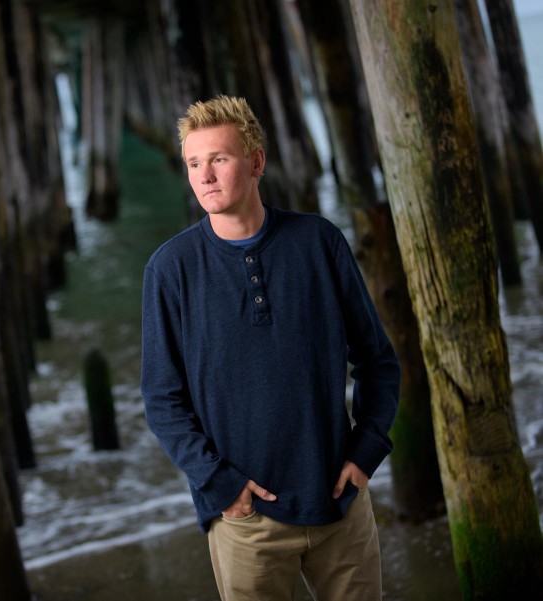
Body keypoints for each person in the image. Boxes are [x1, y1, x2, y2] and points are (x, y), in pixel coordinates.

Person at [140, 95, 400, 600]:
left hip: (340, 504)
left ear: (256, 162)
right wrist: (220, 485)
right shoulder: (170, 270)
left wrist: (367, 449)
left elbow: (377, 359)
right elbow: (162, 400)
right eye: (194, 163)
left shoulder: (319, 242)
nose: (205, 176)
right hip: (246, 520)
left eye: (219, 158)